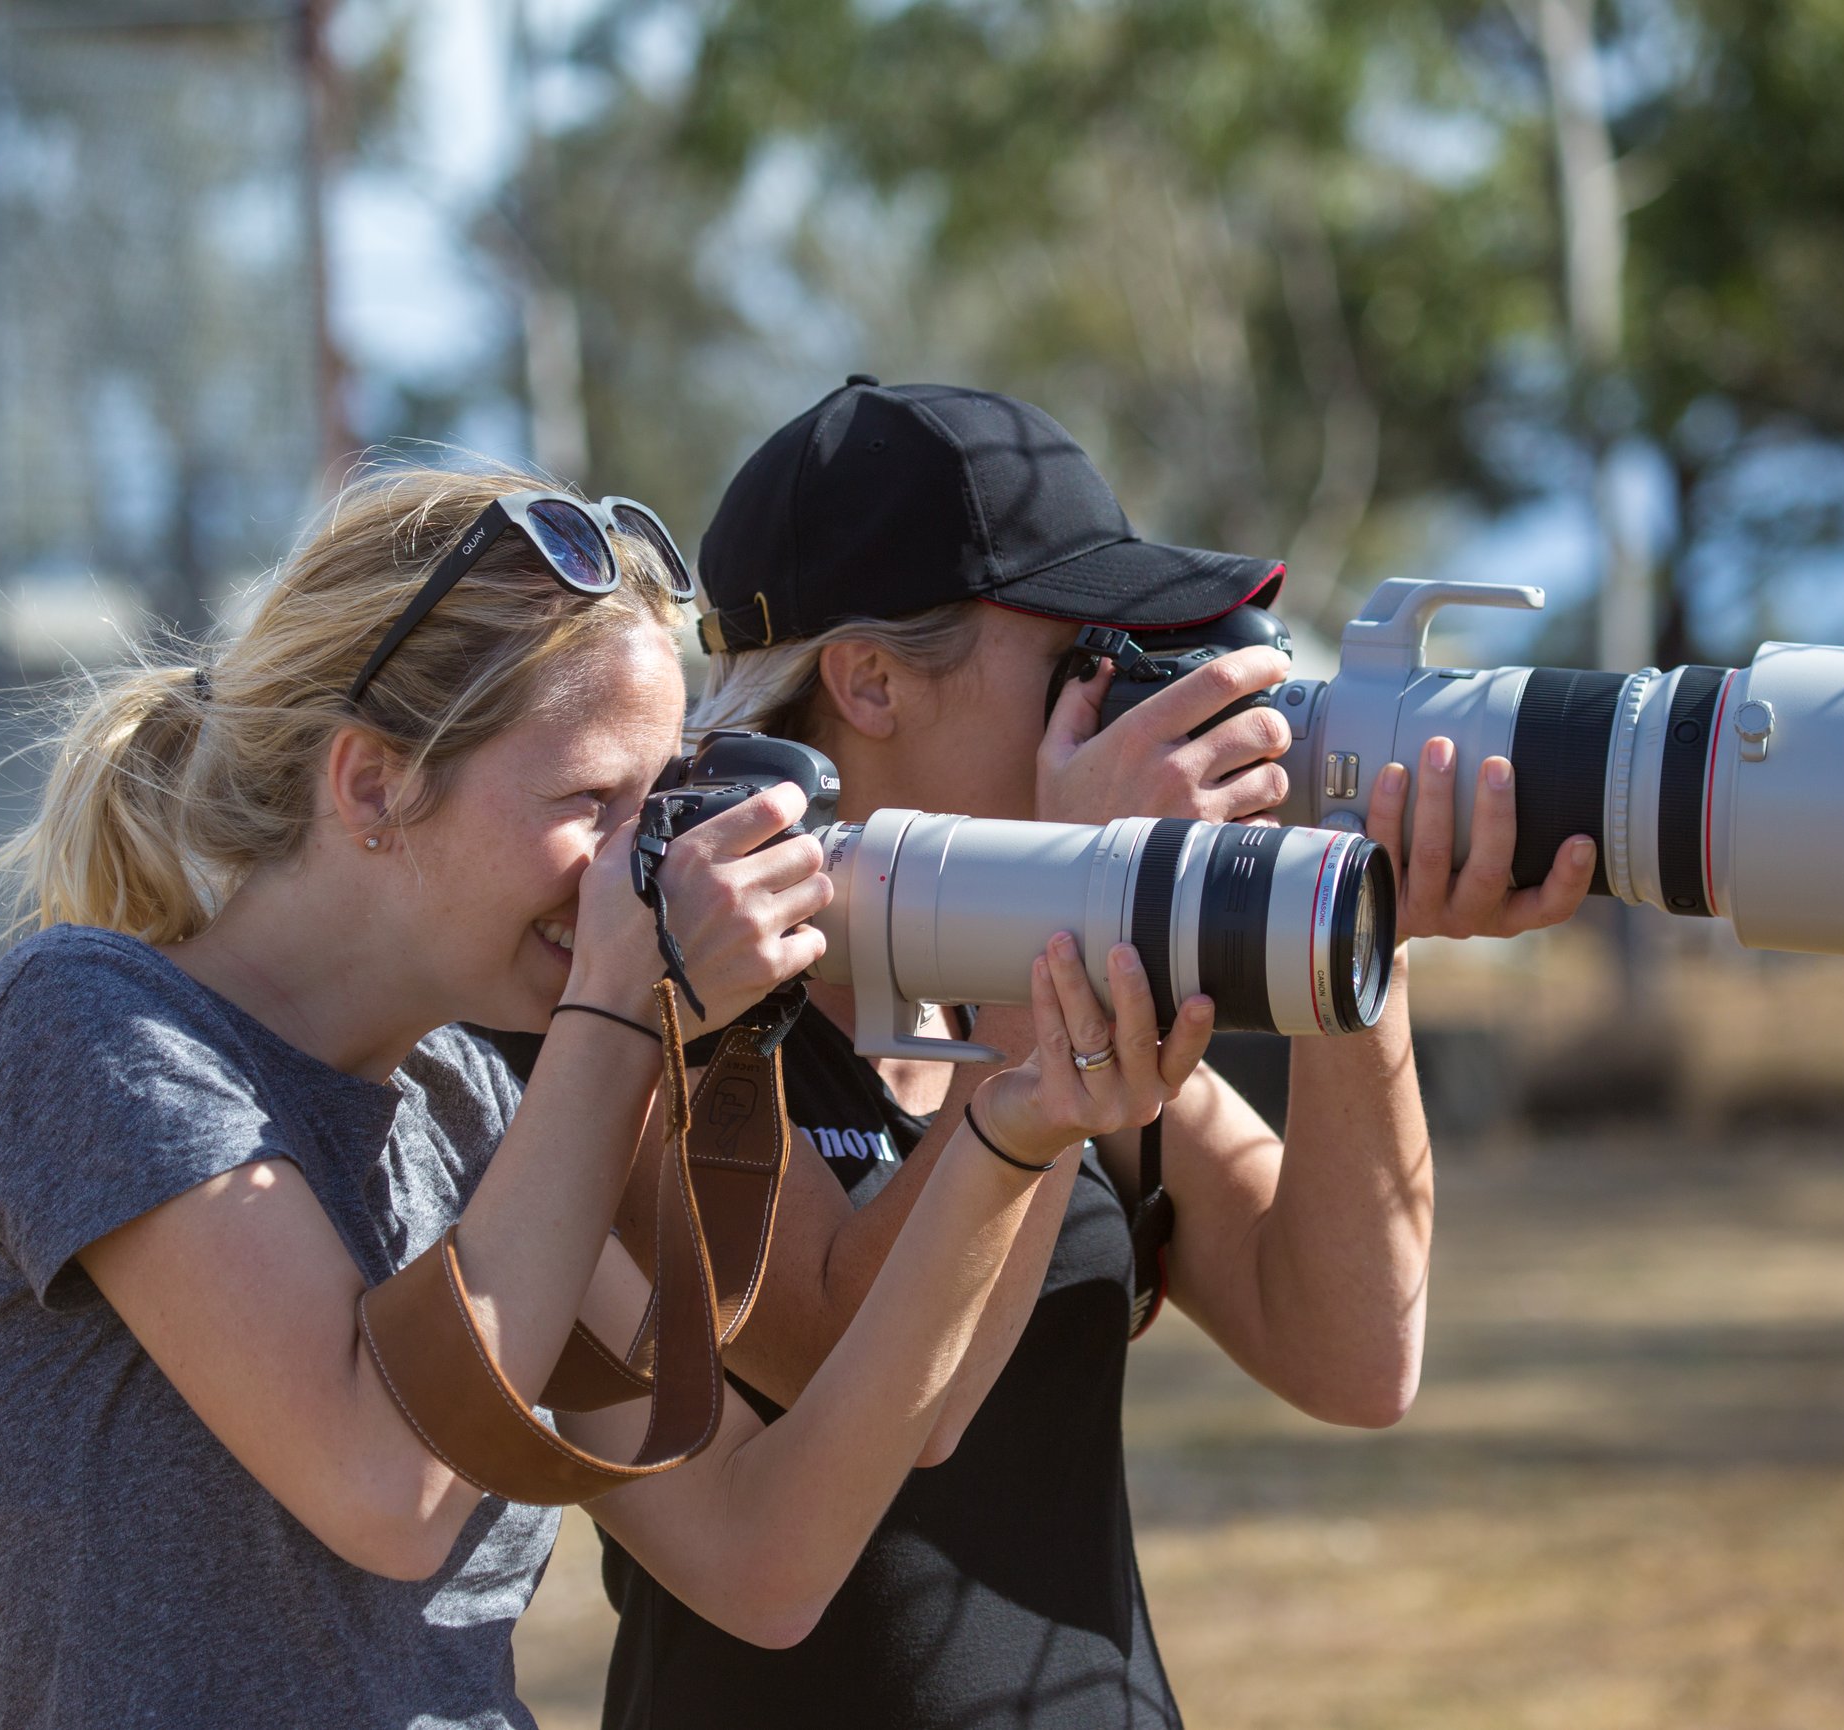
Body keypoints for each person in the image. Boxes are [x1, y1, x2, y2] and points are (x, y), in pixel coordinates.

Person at [0, 461, 1213, 1730]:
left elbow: (767, 1553)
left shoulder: (476, 1102)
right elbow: (388, 1480)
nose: (643, 864)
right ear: (372, 784)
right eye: (592, 800)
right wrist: (613, 1013)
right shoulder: (94, 1026)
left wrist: (1019, 1128)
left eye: (661, 802)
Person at [597, 380, 1599, 1727]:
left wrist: (1362, 934)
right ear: (870, 679)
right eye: (1078, 659)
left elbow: (1358, 1355)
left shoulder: (1064, 986)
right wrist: (1058, 931)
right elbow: (881, 1376)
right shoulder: (671, 1008)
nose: (1128, 701)